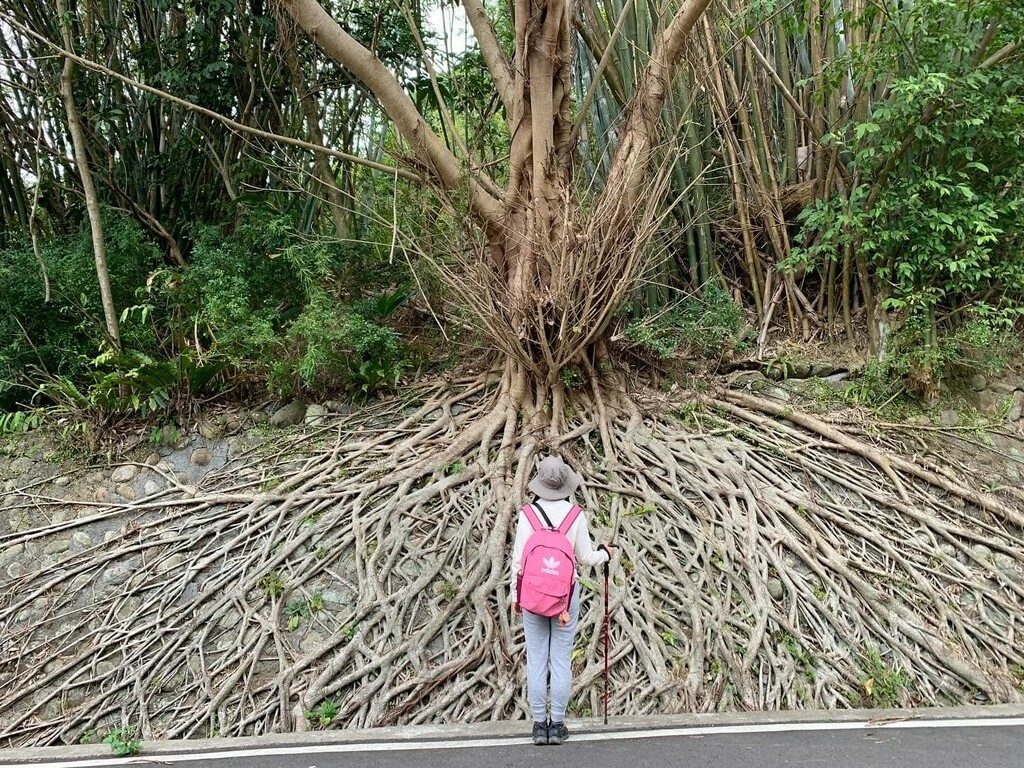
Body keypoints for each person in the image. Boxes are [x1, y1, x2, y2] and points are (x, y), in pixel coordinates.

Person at [512, 455, 616, 746]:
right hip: (564, 599)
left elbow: (518, 562)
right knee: (560, 659)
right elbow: (585, 557)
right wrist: (606, 554)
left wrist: (515, 597)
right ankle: (556, 726)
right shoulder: (575, 515)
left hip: (531, 596)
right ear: (565, 484)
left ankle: (538, 726)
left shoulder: (527, 514)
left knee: (536, 659)